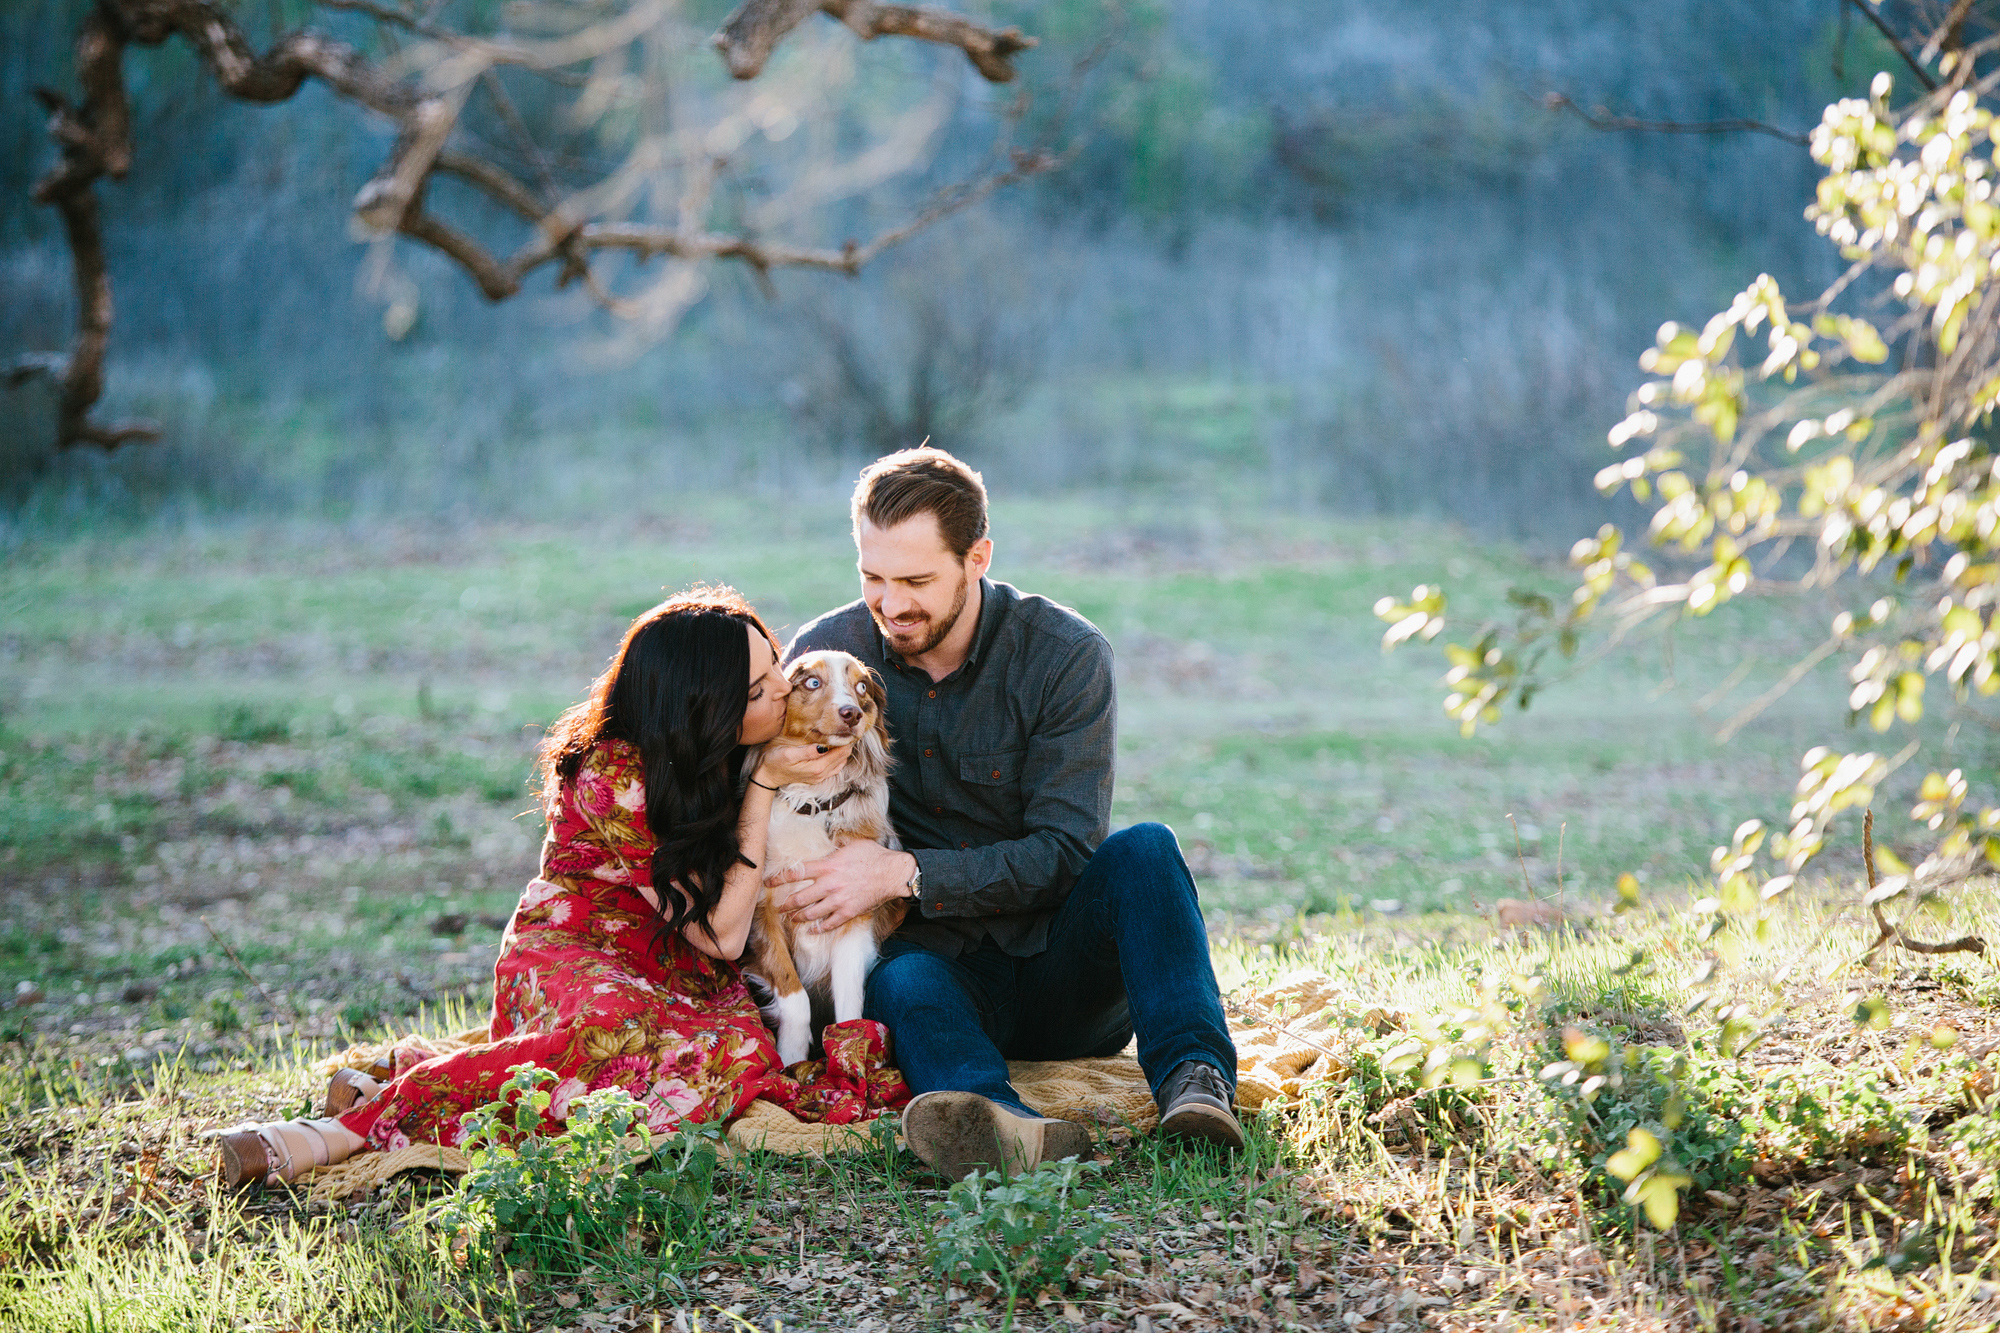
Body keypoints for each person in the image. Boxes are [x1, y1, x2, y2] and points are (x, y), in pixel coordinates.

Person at [216, 587, 910, 1188]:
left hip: (674, 961)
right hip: (581, 947)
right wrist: (763, 787)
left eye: (776, 674)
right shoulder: (615, 774)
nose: (785, 693)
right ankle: (341, 1130)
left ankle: (415, 1066)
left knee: (736, 1055)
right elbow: (727, 935)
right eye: (762, 689)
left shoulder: (720, 750)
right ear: (709, 705)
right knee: (616, 1038)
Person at [776, 447, 1242, 1182]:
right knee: (900, 978)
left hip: (1064, 970)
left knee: (1146, 849)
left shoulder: (1064, 655)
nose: (891, 603)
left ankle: (1196, 1082)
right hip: (936, 974)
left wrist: (903, 870)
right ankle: (1000, 1127)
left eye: (917, 580)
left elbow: (1063, 851)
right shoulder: (829, 659)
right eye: (873, 577)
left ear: (978, 557)